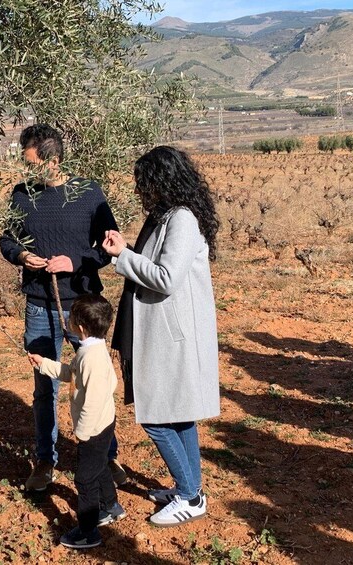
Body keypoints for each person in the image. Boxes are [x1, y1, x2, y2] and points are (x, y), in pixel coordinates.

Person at [0, 124, 127, 492]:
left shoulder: (89, 193)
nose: (27, 171)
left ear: (53, 160)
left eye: (32, 163)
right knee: (45, 388)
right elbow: (7, 240)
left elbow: (110, 248)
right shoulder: (21, 195)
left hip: (84, 306)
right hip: (39, 308)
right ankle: (45, 460)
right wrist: (21, 255)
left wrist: (75, 261)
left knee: (96, 384)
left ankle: (106, 456)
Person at [102, 145, 220, 527]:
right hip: (166, 333)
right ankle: (190, 489)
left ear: (162, 180)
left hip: (172, 337)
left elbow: (166, 278)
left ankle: (189, 496)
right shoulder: (166, 215)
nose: (140, 190)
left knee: (156, 418)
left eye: (144, 182)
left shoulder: (182, 219)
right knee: (179, 415)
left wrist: (124, 255)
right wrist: (126, 251)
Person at [28, 294, 125, 549]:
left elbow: (92, 400)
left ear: (79, 326)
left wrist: (82, 432)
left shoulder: (91, 358)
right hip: (102, 424)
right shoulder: (91, 348)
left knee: (84, 479)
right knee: (99, 466)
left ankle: (88, 531)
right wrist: (44, 364)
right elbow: (71, 373)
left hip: (93, 429)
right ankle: (111, 506)